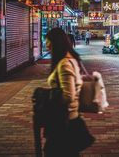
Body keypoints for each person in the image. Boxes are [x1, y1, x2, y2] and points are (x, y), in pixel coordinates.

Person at [45, 28, 94, 157]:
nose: (46, 44)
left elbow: (68, 96)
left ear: (55, 42)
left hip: (64, 121)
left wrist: (47, 98)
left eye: (48, 41)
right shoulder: (70, 59)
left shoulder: (64, 63)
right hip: (68, 118)